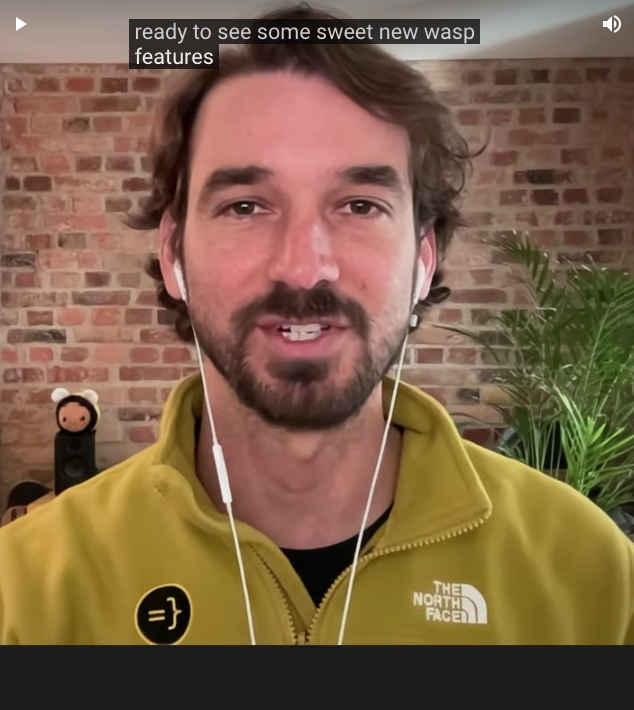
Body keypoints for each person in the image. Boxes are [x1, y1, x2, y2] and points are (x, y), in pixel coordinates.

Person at [0, 3, 633, 645]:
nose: (304, 269)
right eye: (245, 206)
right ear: (173, 256)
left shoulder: (590, 574)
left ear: (423, 260)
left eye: (360, 205)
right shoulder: (26, 589)